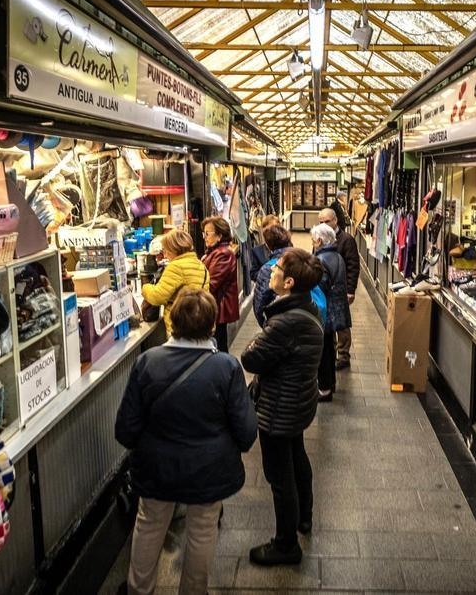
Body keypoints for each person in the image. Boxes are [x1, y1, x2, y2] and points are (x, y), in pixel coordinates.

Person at [115, 289, 258, 595]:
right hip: (209, 469)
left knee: (150, 524)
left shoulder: (148, 363)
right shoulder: (227, 367)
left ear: (172, 319)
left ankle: (139, 589)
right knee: (203, 529)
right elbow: (246, 430)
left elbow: (125, 429)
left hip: (156, 468)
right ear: (211, 326)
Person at [240, 248, 324, 566]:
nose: (270, 272)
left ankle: (286, 545)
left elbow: (251, 356)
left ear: (288, 282)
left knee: (279, 476)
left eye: (275, 269)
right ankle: (304, 516)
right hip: (298, 401)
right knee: (297, 457)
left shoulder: (285, 322)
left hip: (279, 407)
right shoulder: (307, 307)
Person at [142, 230, 209, 337]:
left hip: (181, 326)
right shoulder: (201, 265)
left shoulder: (176, 267)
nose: (165, 254)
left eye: (165, 249)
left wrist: (146, 287)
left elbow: (157, 297)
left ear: (173, 249)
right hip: (201, 322)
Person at [310, 224, 350, 402]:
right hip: (338, 309)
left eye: (313, 239)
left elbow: (320, 288)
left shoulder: (321, 260)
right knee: (329, 350)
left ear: (319, 240)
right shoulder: (337, 256)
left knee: (324, 352)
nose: (312, 242)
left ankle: (325, 389)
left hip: (326, 312)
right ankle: (330, 383)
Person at [318, 208, 359, 370]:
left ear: (335, 220)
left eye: (326, 221)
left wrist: (351, 290)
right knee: (328, 322)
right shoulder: (319, 238)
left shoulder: (346, 240)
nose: (323, 225)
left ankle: (343, 355)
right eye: (321, 222)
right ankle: (332, 351)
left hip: (340, 290)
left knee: (341, 324)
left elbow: (353, 266)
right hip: (324, 289)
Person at [201, 216, 239, 352]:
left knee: (219, 346)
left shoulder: (223, 254)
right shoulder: (214, 252)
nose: (204, 237)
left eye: (207, 234)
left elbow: (211, 284)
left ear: (219, 236)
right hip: (216, 308)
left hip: (219, 309)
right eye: (203, 233)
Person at [252, 224, 292, 325]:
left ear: (268, 245)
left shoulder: (268, 268)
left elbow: (260, 301)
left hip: (277, 322)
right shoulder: (299, 259)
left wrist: (265, 325)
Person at [247, 214, 281, 285]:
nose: (272, 233)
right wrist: (266, 274)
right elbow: (253, 274)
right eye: (269, 229)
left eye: (275, 229)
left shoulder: (284, 249)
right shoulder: (257, 251)